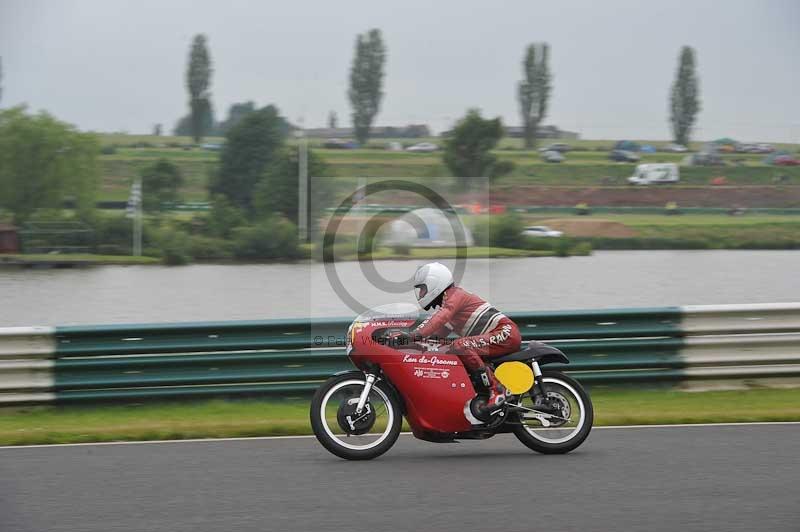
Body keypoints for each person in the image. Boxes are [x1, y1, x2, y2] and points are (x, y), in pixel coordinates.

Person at [409, 262, 522, 417]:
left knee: (460, 345)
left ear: (435, 283)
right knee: (449, 349)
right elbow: (437, 337)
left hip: (505, 332)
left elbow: (439, 318)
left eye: (423, 289)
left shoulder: (455, 296)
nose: (421, 294)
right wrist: (414, 344)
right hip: (496, 337)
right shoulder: (449, 305)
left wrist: (413, 335)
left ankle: (497, 391)